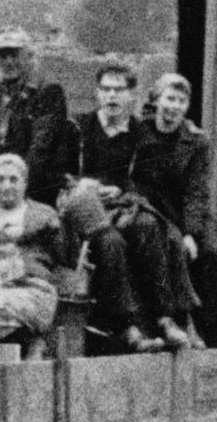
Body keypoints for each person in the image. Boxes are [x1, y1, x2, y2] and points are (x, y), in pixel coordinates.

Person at [68, 60, 185, 349]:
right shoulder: (78, 127)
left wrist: (121, 190)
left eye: (118, 90)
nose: (111, 96)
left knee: (147, 225)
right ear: (97, 93)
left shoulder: (142, 136)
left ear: (132, 95)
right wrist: (82, 184)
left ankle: (164, 318)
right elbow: (60, 171)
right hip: (85, 207)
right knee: (112, 243)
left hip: (123, 205)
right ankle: (126, 326)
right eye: (105, 89)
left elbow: (147, 182)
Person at [131, 70, 217, 345]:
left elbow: (196, 191)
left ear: (186, 107)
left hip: (190, 211)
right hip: (158, 210)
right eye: (169, 99)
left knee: (213, 250)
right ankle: (183, 322)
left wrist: (192, 231)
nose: (173, 107)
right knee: (173, 246)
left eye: (180, 101)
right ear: (156, 101)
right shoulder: (140, 133)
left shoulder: (197, 141)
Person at [0, 151, 67, 345]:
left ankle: (35, 343)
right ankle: (32, 347)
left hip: (31, 290)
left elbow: (63, 254)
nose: (6, 186)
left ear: (25, 183)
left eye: (13, 179)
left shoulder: (43, 214)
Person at [0, 30, 77, 204]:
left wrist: (14, 193)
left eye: (14, 55)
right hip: (2, 184)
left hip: (37, 188)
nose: (8, 62)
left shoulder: (48, 91)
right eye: (2, 55)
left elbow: (40, 152)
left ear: (29, 56)